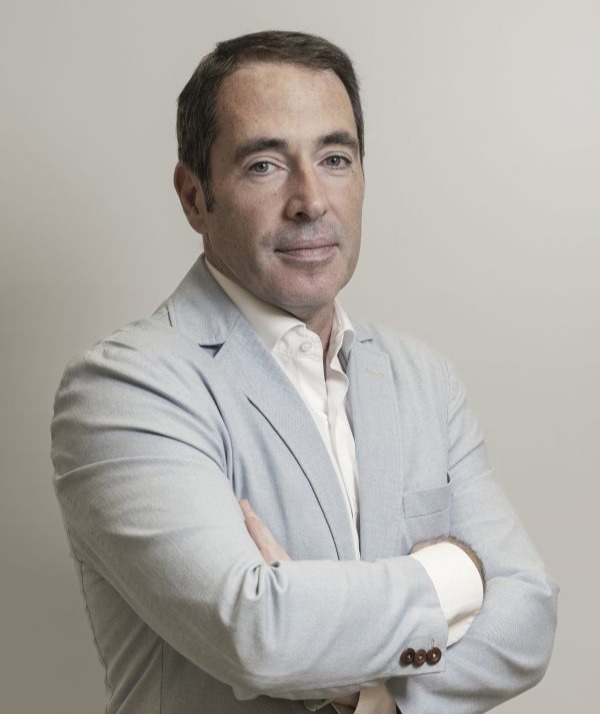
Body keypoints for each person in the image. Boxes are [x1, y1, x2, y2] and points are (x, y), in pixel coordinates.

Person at [51, 30, 558, 714]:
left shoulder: (424, 379)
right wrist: (458, 574)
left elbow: (528, 618)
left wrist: (372, 693)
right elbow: (256, 634)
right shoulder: (124, 390)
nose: (311, 200)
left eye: (335, 158)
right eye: (264, 164)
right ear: (195, 196)